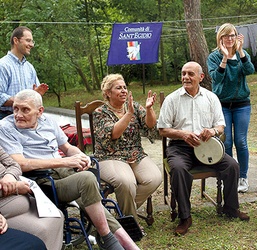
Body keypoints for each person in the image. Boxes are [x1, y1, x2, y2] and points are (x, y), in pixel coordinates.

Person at [0, 89, 140, 250]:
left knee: (89, 187)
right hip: (40, 180)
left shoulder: (48, 121)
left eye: (25, 110)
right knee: (86, 181)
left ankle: (122, 242)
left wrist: (81, 156)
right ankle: (113, 240)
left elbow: (67, 148)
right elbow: (20, 163)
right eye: (15, 108)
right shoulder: (6, 127)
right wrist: (65, 162)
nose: (17, 114)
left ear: (40, 111)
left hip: (63, 173)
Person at [158, 61, 250, 236]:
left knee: (232, 166)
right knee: (178, 169)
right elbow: (162, 129)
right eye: (183, 73)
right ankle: (185, 217)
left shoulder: (211, 97)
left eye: (190, 74)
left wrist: (213, 131)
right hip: (180, 147)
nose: (186, 77)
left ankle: (230, 208)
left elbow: (221, 126)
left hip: (207, 146)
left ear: (201, 77)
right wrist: (183, 134)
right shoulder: (172, 99)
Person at [93, 73, 162, 224]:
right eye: (119, 88)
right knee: (126, 181)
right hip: (109, 156)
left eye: (125, 87)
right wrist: (129, 114)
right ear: (108, 93)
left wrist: (149, 109)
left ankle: (122, 212)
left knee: (154, 178)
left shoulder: (134, 106)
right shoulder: (100, 113)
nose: (124, 90)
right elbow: (114, 134)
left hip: (134, 153)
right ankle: (131, 222)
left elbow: (150, 125)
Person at [207, 23, 255, 193]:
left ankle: (243, 176)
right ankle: (229, 175)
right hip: (222, 105)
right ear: (220, 38)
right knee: (226, 141)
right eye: (226, 36)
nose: (229, 39)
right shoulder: (214, 57)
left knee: (241, 141)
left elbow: (250, 70)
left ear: (237, 37)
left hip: (242, 104)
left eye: (232, 35)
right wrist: (225, 58)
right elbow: (216, 78)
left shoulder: (243, 54)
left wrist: (241, 52)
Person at [0, 145, 63, 249]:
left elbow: (14, 165)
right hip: (6, 209)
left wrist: (10, 176)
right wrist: (14, 188)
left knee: (57, 216)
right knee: (42, 229)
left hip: (22, 197)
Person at [0, 26, 48, 119]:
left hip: (29, 118)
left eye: (32, 41)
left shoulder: (29, 67)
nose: (31, 45)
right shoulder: (3, 65)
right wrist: (24, 101)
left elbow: (34, 96)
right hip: (6, 118)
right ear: (16, 40)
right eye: (28, 40)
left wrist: (36, 94)